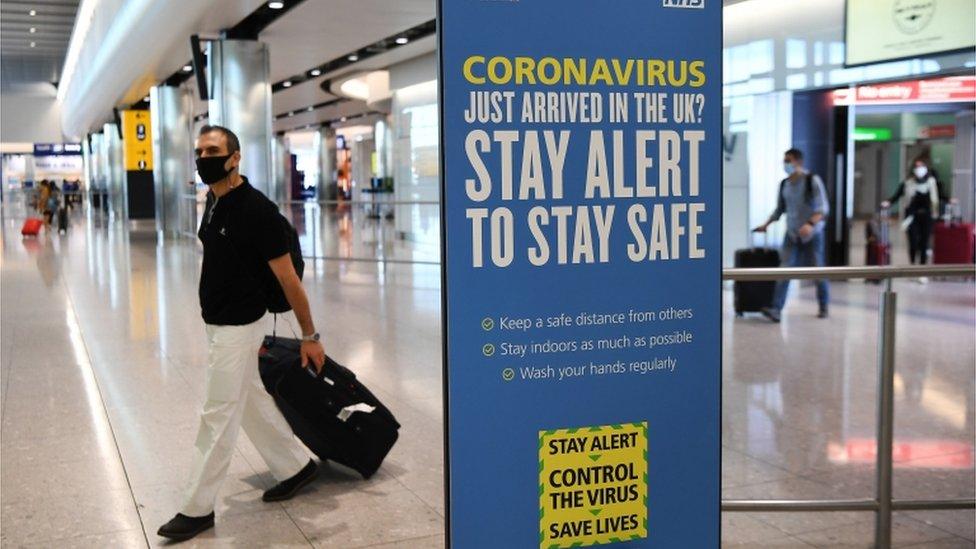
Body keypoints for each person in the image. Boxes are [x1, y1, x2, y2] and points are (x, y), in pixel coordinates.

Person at [157, 125, 325, 542]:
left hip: (239, 325)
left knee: (217, 415)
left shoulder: (257, 212)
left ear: (234, 158)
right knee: (248, 398)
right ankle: (295, 467)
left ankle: (196, 508)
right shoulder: (214, 201)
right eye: (198, 150)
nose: (202, 157)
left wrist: (311, 335)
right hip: (220, 321)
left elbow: (289, 281)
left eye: (212, 150)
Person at [753, 148, 830, 322]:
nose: (786, 164)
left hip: (813, 233)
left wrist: (810, 224)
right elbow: (780, 209)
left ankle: (823, 305)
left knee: (818, 269)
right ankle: (776, 309)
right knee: (785, 268)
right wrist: (766, 225)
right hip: (792, 233)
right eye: (785, 160)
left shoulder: (812, 180)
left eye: (789, 160)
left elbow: (823, 208)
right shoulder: (784, 184)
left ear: (798, 162)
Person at [881, 156, 939, 282]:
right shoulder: (908, 183)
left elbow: (938, 197)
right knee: (913, 242)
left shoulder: (931, 182)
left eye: (921, 166)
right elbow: (897, 196)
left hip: (927, 216)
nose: (919, 169)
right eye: (916, 166)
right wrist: (888, 202)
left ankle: (922, 271)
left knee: (924, 243)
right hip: (912, 216)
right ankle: (913, 266)